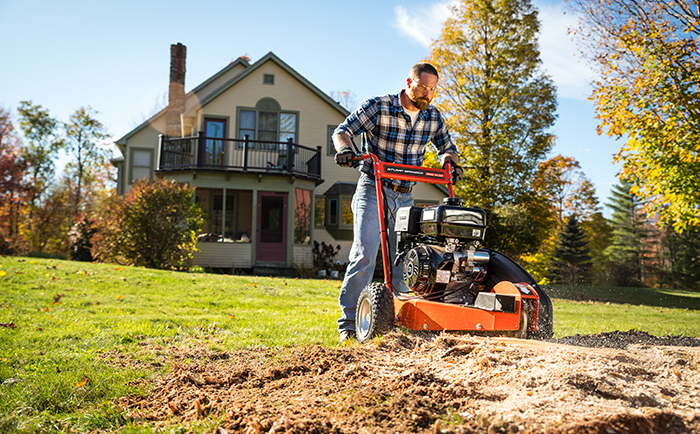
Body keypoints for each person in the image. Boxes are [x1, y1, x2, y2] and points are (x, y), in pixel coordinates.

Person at [332, 62, 462, 342]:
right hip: (373, 188)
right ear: (408, 82)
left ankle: (400, 323)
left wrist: (451, 162)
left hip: (405, 195)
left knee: (404, 261)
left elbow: (447, 148)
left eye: (432, 89)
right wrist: (345, 149)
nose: (428, 94)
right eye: (423, 87)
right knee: (365, 254)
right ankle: (349, 325)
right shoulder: (378, 106)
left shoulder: (433, 117)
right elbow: (342, 131)